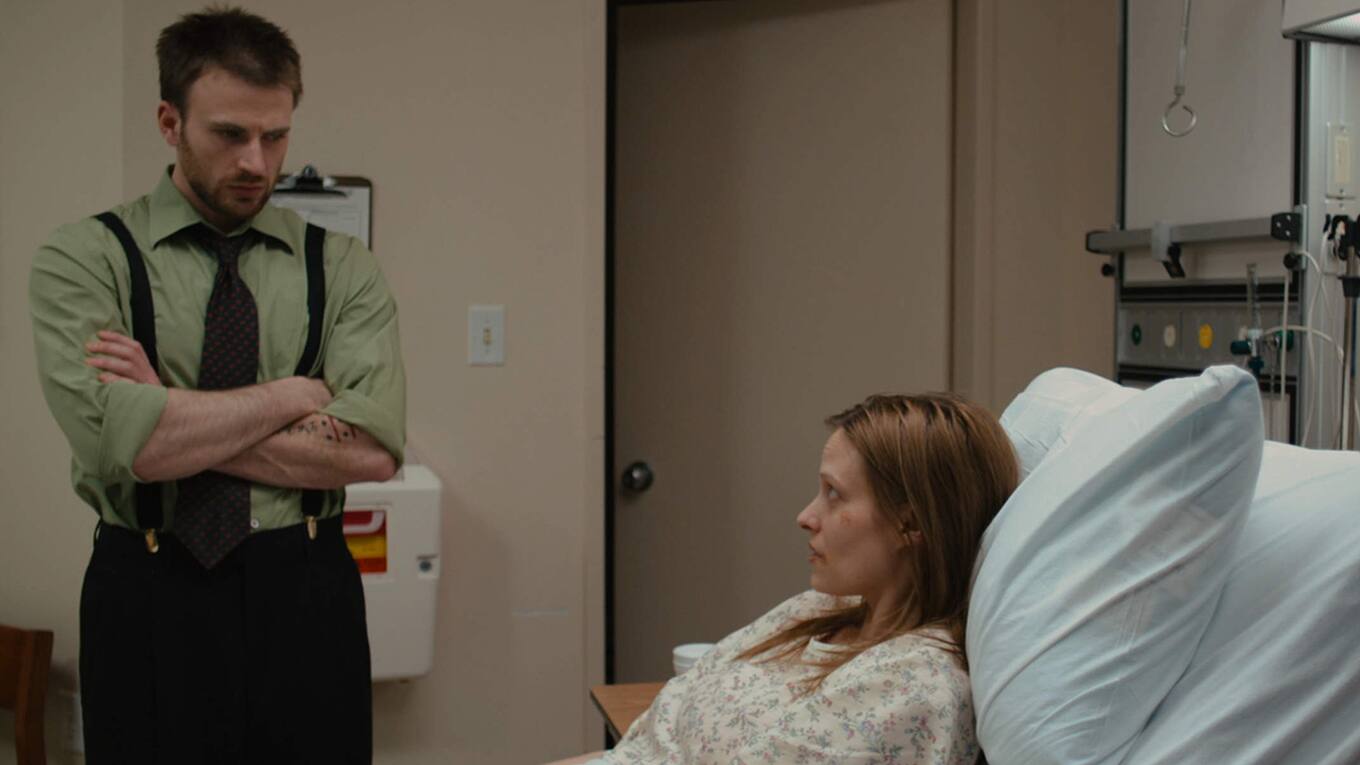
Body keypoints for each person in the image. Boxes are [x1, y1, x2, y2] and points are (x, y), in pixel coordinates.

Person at [28, 7, 404, 763]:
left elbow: (371, 452)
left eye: (276, 136)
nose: (257, 163)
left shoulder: (342, 265)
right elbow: (122, 447)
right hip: (148, 586)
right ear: (170, 122)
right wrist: (297, 393)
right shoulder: (85, 258)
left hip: (308, 588)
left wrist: (168, 413)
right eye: (230, 134)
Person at [553, 393, 1018, 765]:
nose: (806, 517)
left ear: (910, 524)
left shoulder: (914, 687)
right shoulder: (821, 610)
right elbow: (666, 724)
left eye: (834, 494)